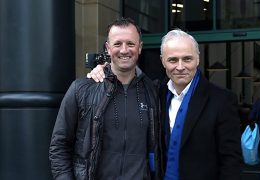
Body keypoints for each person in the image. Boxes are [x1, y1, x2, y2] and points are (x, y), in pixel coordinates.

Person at [88, 29, 242, 180]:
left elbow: (231, 162)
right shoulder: (155, 92)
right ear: (162, 60)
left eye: (187, 59)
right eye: (173, 60)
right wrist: (104, 69)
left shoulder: (222, 100)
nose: (180, 67)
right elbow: (125, 76)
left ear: (198, 59)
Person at [49, 17, 163, 180]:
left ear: (140, 48)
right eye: (117, 44)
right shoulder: (81, 89)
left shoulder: (153, 91)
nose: (124, 50)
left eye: (130, 44)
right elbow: (59, 146)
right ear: (108, 48)